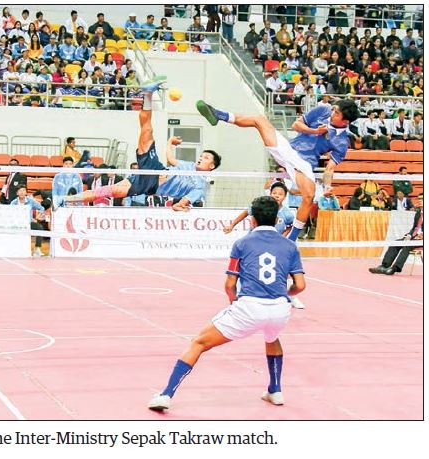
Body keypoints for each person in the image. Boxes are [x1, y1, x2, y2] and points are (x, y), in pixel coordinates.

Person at [148, 195, 306, 411]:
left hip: (250, 307)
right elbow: (300, 285)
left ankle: (165, 395)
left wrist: (234, 303)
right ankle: (275, 390)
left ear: (252, 219)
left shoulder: (242, 243)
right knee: (272, 336)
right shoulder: (290, 246)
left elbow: (230, 284)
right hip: (280, 310)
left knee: (198, 342)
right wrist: (284, 294)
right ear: (277, 218)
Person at [196, 98, 359, 241]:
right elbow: (296, 125)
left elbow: (329, 169)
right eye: (334, 109)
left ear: (345, 121)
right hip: (288, 150)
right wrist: (315, 131)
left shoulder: (342, 142)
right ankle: (218, 114)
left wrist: (327, 186)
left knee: (309, 196)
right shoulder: (323, 110)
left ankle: (292, 239)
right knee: (259, 120)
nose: (332, 113)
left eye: (337, 113)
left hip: (304, 164)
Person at [65, 77, 222, 211]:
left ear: (212, 166)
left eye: (206, 158)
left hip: (148, 185)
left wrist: (179, 206)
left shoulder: (200, 186)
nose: (201, 158)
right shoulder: (189, 165)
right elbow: (170, 160)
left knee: (106, 192)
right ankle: (148, 94)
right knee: (147, 129)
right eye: (202, 155)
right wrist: (169, 142)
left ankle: (66, 200)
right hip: (155, 168)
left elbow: (181, 203)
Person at [369, 194, 423, 275]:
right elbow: (415, 228)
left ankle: (395, 268)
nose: (420, 200)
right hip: (414, 237)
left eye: (422, 199)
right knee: (396, 243)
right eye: (419, 199)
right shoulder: (418, 213)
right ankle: (384, 266)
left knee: (407, 245)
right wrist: (409, 235)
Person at [10, 184, 46, 257]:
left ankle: (37, 249)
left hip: (28, 223)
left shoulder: (30, 201)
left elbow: (42, 208)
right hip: (17, 224)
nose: (22, 192)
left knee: (39, 227)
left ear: (26, 192)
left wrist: (37, 216)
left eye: (23, 190)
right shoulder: (13, 203)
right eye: (20, 191)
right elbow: (10, 214)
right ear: (17, 193)